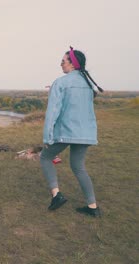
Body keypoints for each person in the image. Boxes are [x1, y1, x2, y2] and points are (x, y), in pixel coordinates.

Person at [41, 47, 104, 217]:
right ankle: (93, 208)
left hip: (66, 131)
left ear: (72, 64)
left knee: (45, 157)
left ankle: (57, 196)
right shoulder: (88, 83)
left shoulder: (61, 82)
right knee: (78, 167)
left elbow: (53, 111)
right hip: (86, 133)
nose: (60, 64)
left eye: (63, 61)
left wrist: (47, 136)